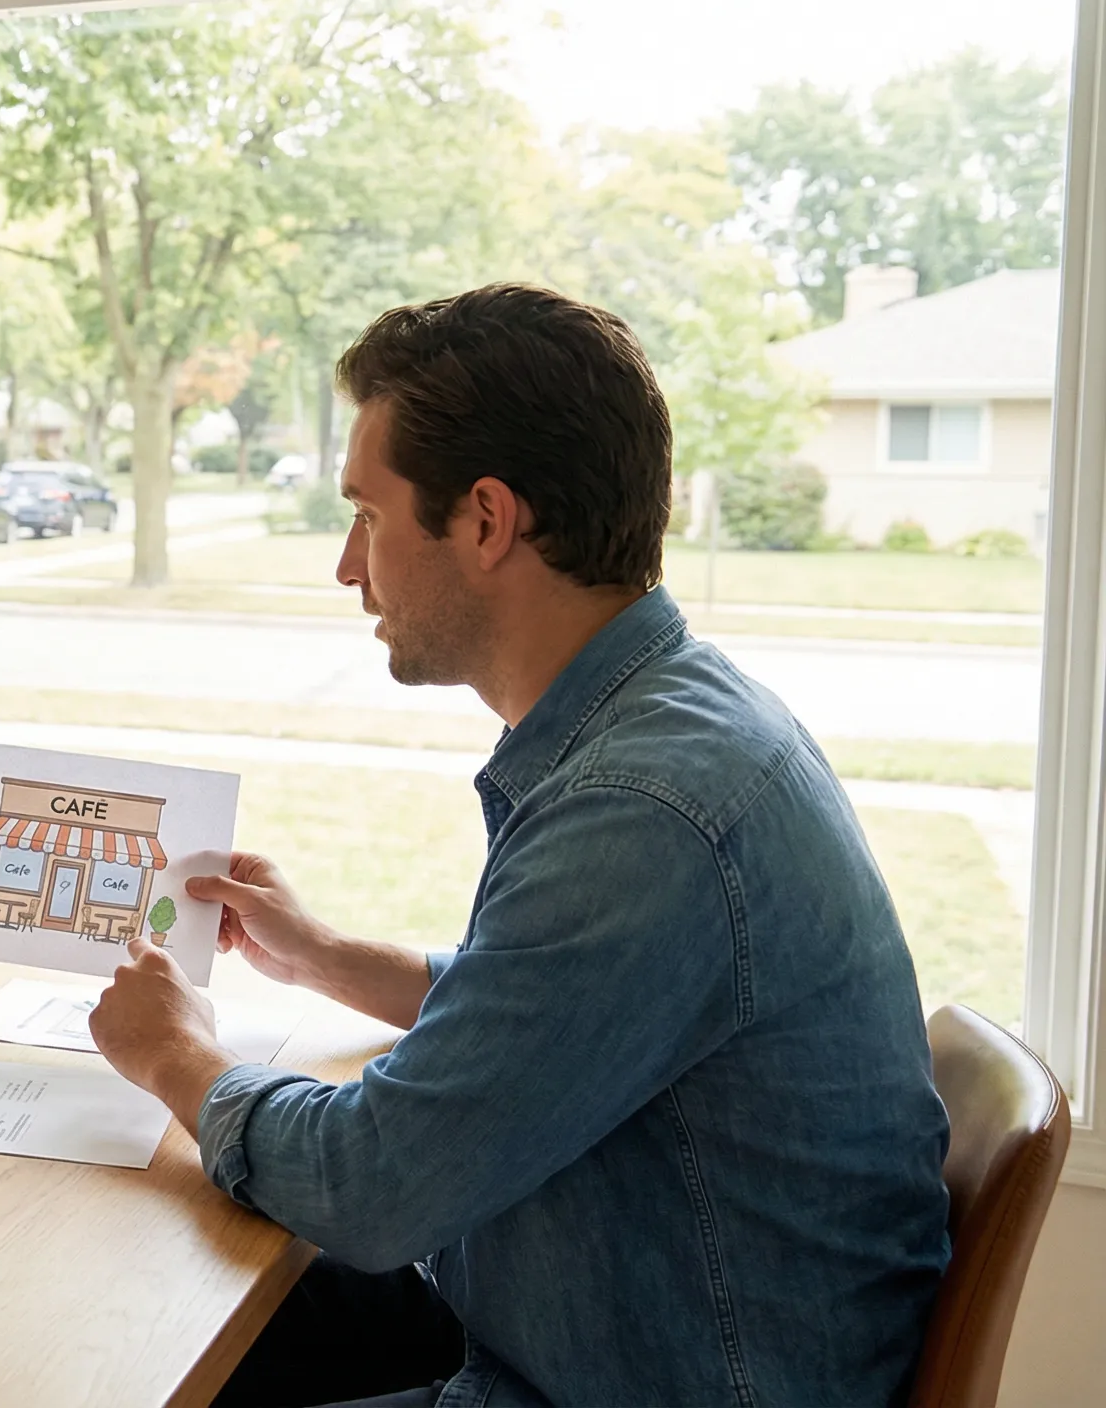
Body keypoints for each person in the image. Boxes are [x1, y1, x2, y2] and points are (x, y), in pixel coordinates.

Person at [85, 284, 949, 1408]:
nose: (349, 569)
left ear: (486, 521)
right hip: (597, 1322)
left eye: (368, 517)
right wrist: (330, 959)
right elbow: (563, 1019)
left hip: (646, 1379)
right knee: (145, 1312)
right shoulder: (676, 717)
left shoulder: (645, 807)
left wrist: (175, 1058)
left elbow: (370, 1185)